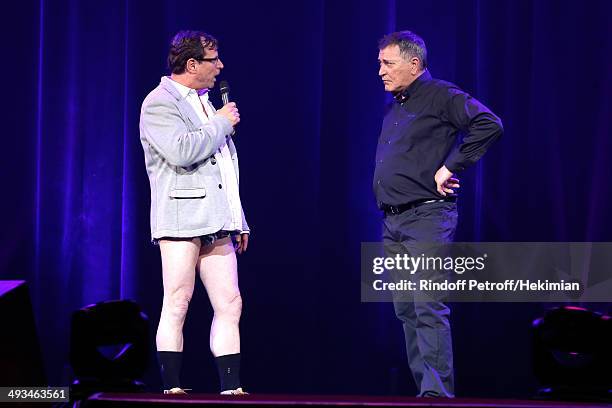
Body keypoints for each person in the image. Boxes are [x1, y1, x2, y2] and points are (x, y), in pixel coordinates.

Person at [374, 30, 503, 397]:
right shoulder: (396, 104)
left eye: (388, 63)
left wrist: (453, 166)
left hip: (427, 218)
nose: (380, 71)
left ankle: (437, 394)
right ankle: (424, 391)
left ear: (414, 64)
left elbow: (489, 124)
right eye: (379, 63)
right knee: (405, 311)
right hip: (394, 221)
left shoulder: (440, 95)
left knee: (428, 305)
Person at [139, 30, 250, 395]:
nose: (219, 66)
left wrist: (238, 219)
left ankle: (231, 387)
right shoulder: (159, 103)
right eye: (212, 59)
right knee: (178, 300)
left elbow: (224, 167)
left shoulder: (206, 101)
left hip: (217, 220)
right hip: (180, 218)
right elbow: (183, 151)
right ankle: (171, 386)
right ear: (191, 64)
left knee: (230, 302)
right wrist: (221, 122)